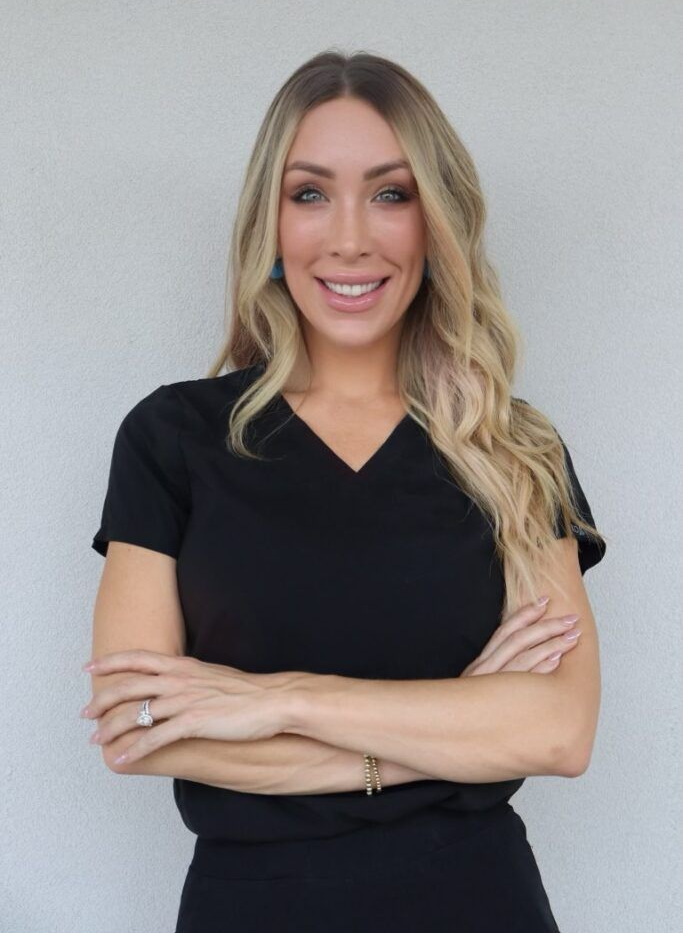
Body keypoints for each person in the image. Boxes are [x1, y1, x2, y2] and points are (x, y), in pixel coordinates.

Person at [83, 50, 607, 932]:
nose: (351, 237)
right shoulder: (170, 437)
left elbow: (558, 731)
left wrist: (274, 700)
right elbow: (138, 729)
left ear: (436, 222)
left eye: (392, 194)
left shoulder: (512, 447)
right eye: (311, 192)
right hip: (248, 909)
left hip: (476, 904)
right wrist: (450, 725)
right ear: (270, 222)